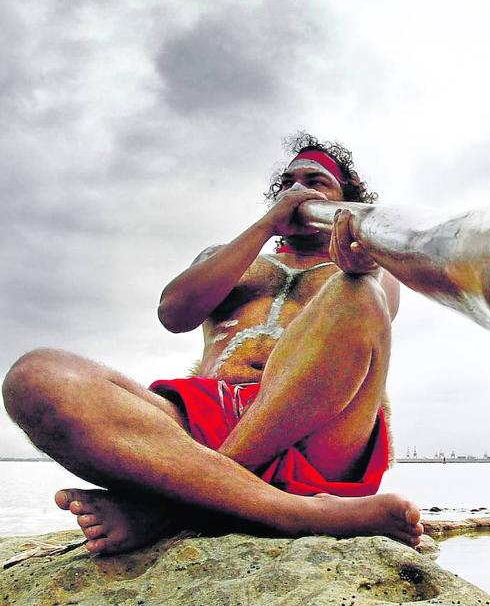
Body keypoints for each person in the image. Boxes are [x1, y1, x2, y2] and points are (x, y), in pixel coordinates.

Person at [2, 134, 423, 555]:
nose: (297, 191)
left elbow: (373, 315)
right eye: (287, 183)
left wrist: (358, 260)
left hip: (322, 430)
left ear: (345, 197)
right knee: (36, 376)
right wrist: (264, 227)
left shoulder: (366, 264)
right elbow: (174, 313)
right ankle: (295, 512)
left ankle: (168, 511)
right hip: (204, 423)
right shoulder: (230, 255)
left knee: (357, 294)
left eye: (315, 181)